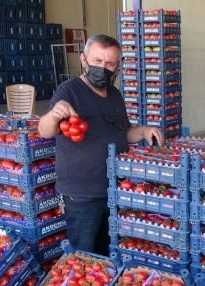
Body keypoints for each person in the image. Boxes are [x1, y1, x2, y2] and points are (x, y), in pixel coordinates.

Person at [39, 34, 163, 255]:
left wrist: (144, 131)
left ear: (117, 67)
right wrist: (54, 114)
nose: (103, 68)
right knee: (84, 254)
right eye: (97, 61)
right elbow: (45, 131)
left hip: (114, 188)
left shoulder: (114, 94)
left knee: (108, 251)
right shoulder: (68, 91)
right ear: (83, 59)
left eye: (110, 63)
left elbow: (124, 132)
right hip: (82, 193)